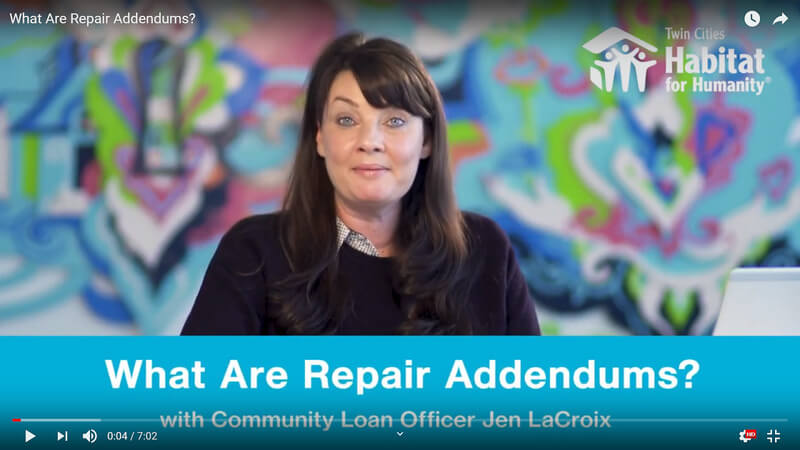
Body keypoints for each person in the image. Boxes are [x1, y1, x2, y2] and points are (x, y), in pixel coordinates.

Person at [181, 32, 540, 335]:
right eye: (347, 119)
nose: (370, 141)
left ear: (426, 140)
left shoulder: (485, 251)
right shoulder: (253, 253)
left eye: (395, 121)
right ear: (320, 137)